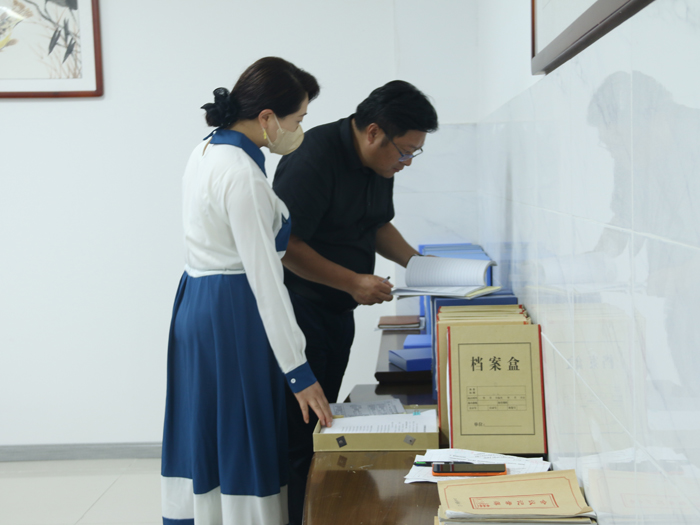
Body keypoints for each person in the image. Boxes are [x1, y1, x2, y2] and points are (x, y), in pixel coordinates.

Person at [160, 57, 333, 525]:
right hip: (232, 311)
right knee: (243, 431)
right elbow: (265, 279)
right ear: (267, 118)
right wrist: (299, 372)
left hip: (196, 303)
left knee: (208, 430)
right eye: (297, 119)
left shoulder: (205, 150)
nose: (298, 130)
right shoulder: (242, 175)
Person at [272, 80, 438, 524]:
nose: (406, 162)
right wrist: (353, 282)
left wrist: (420, 265)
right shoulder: (312, 158)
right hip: (298, 312)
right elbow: (286, 247)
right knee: (299, 436)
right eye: (405, 151)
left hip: (337, 311)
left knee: (324, 426)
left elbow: (376, 224)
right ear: (373, 133)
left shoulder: (378, 165)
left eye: (415, 153)